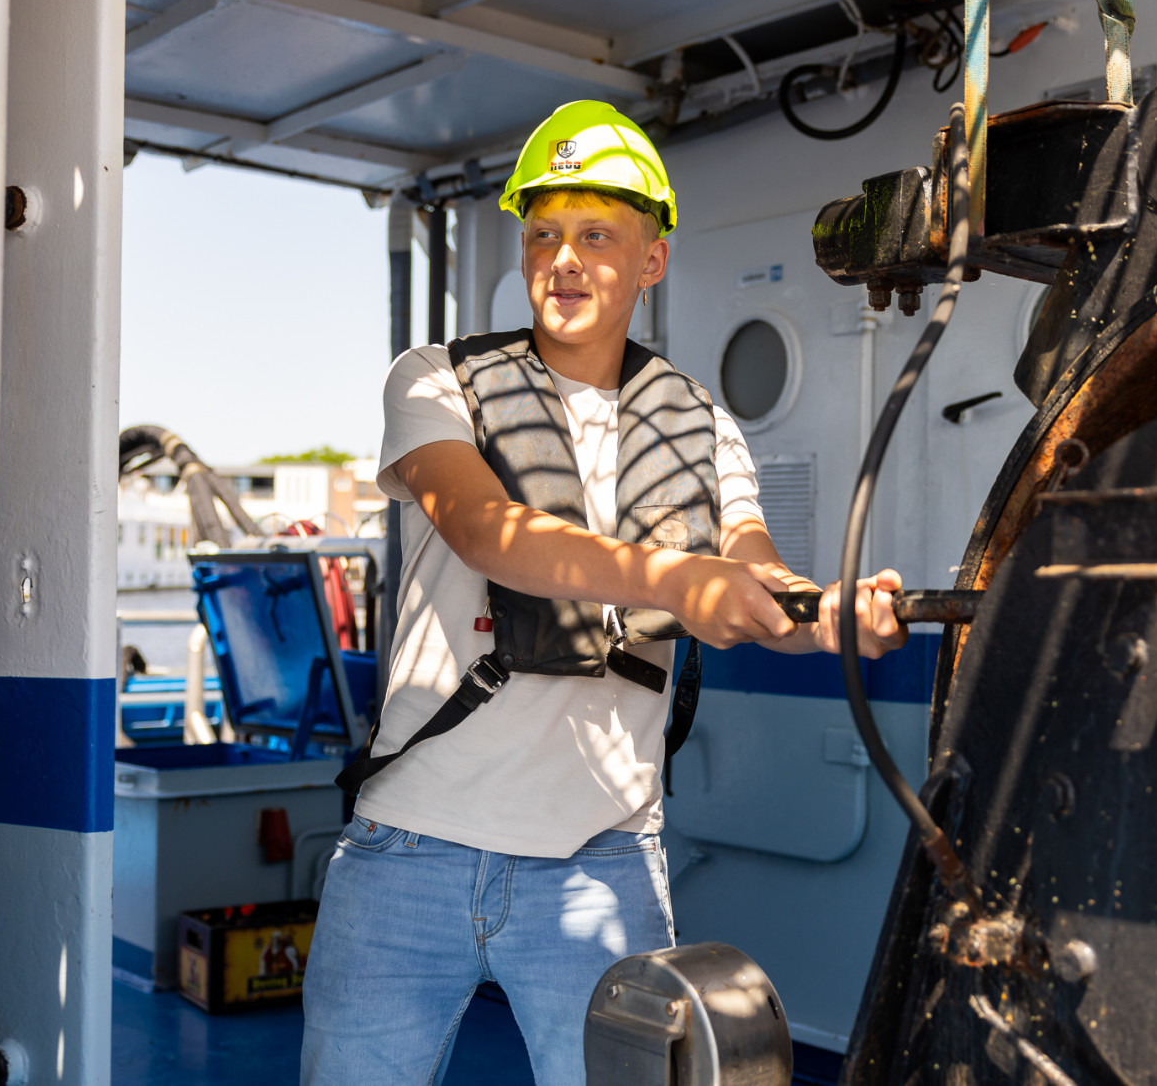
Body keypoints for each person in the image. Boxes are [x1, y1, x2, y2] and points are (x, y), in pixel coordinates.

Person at [299, 100, 906, 1085]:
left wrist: (829, 615)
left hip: (601, 863)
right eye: (541, 233)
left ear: (651, 259)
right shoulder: (436, 378)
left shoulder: (698, 424)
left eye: (594, 234)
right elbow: (488, 532)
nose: (563, 258)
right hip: (407, 852)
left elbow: (753, 568)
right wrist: (670, 574)